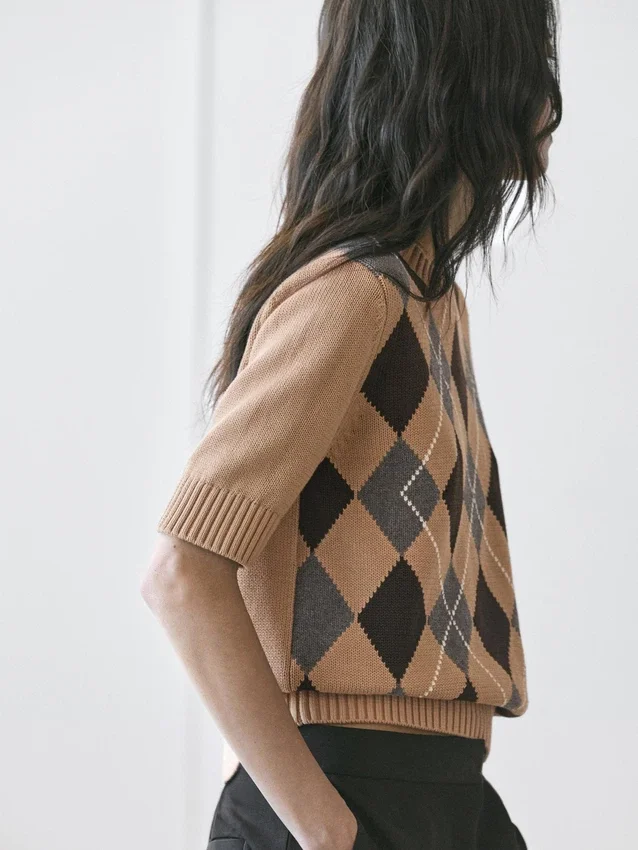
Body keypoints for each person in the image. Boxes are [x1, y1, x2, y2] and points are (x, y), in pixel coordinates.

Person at [140, 0, 562, 847]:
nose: (549, 102)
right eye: (526, 58)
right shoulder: (354, 294)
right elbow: (183, 574)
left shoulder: (430, 303)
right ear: (461, 79)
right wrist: (325, 827)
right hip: (347, 794)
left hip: (438, 791)